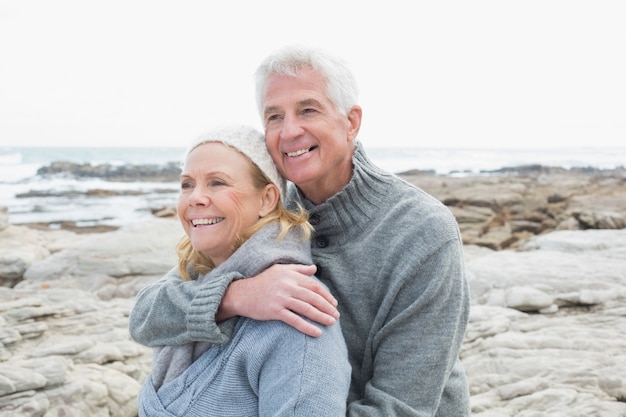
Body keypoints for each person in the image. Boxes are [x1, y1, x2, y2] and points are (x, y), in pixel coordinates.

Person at [131, 45, 471, 416]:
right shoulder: (268, 212)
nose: (289, 131)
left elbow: (402, 407)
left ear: (351, 122)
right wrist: (236, 296)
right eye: (274, 117)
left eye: (308, 110)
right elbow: (150, 313)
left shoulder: (423, 232)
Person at [130, 125, 351, 416]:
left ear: (266, 200)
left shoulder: (296, 310)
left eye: (217, 182)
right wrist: (231, 297)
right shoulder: (202, 270)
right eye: (187, 184)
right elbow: (143, 319)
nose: (195, 197)